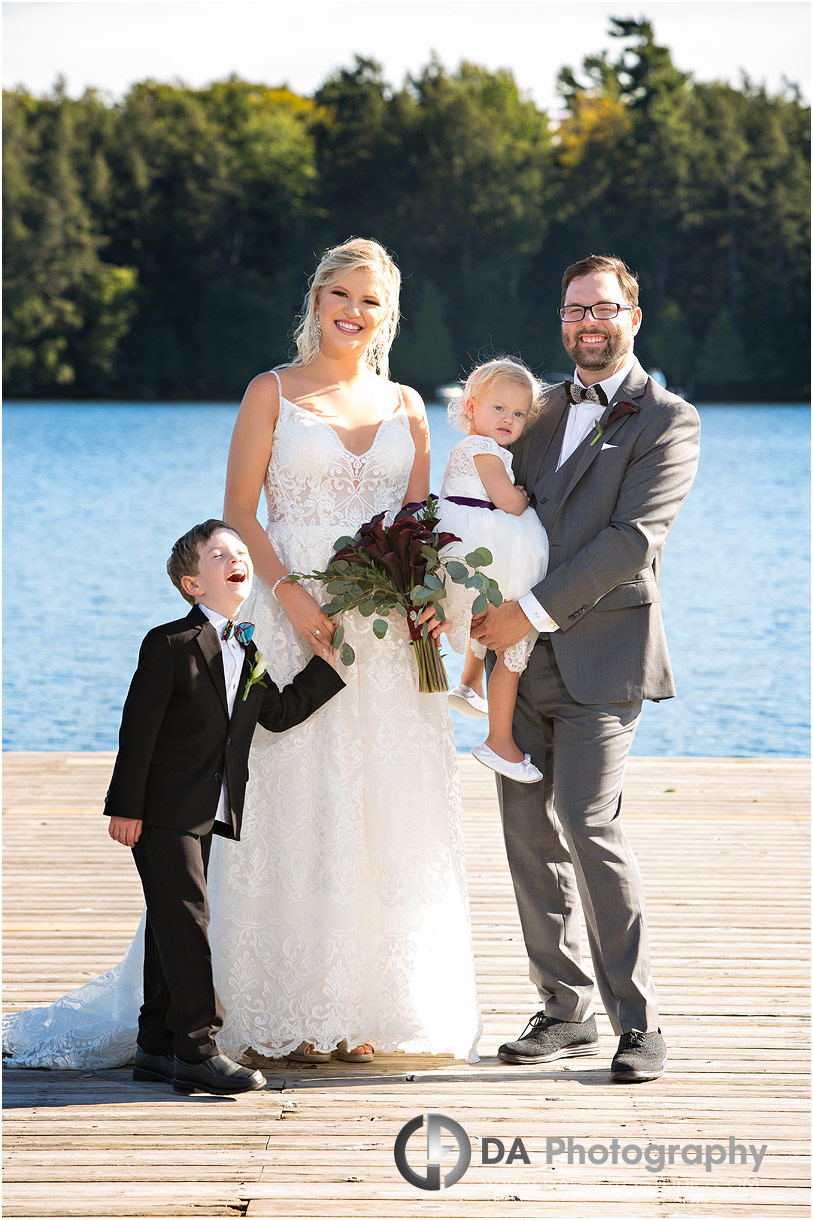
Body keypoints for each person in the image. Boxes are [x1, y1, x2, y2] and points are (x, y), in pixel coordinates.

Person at [214, 236, 482, 1063]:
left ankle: (362, 1007)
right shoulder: (272, 392)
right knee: (293, 802)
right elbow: (239, 514)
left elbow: (417, 527)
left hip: (390, 639)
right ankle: (280, 1004)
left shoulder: (406, 404)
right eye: (341, 292)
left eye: (370, 300)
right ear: (316, 298)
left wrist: (429, 597)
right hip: (296, 621)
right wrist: (291, 596)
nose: (353, 311)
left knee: (382, 806)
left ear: (386, 314)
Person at [471, 255, 700, 1082]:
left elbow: (631, 542)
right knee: (528, 837)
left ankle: (636, 1024)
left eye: (603, 308)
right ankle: (561, 1010)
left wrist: (525, 611)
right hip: (513, 665)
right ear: (561, 321)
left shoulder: (667, 420)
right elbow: (494, 518)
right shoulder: (535, 411)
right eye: (574, 311)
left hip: (603, 662)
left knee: (587, 824)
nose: (587, 323)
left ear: (631, 316)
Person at [109, 520, 345, 1095]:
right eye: (219, 555)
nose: (236, 558)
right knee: (188, 918)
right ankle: (197, 1047)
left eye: (241, 552)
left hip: (206, 809)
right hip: (162, 808)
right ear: (193, 584)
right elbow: (138, 728)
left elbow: (278, 714)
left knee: (173, 918)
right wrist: (125, 804)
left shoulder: (247, 646)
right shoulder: (168, 644)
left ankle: (156, 1045)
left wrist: (328, 663)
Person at [437, 358, 549, 784]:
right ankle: (499, 740)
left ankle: (468, 682)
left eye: (519, 413)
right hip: (483, 544)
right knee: (514, 643)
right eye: (498, 409)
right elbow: (507, 502)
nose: (509, 419)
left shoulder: (469, 447)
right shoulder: (484, 449)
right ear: (471, 410)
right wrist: (523, 499)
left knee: (484, 614)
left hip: (465, 547)